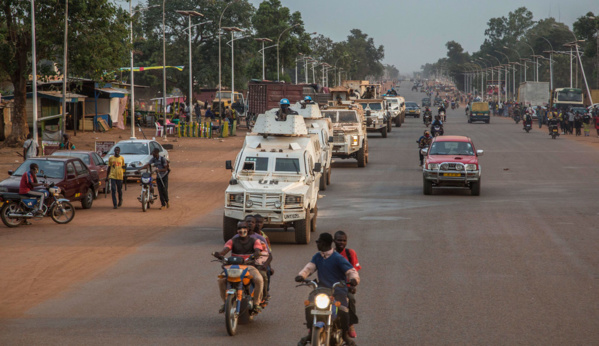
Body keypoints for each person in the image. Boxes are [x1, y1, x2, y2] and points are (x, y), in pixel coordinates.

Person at [295, 232, 359, 346]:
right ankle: (311, 332)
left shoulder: (338, 258)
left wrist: (354, 279)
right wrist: (302, 275)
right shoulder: (317, 256)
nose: (317, 243)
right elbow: (309, 268)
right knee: (309, 306)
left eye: (318, 241)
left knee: (343, 311)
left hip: (338, 291)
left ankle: (344, 335)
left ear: (324, 243)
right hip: (321, 291)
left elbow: (351, 271)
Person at [213, 221, 265, 314]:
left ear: (248, 229)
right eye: (239, 228)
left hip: (248, 266)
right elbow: (224, 251)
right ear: (237, 230)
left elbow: (258, 250)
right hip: (233, 266)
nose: (242, 230)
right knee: (221, 280)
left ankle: (257, 303)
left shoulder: (255, 241)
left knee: (259, 279)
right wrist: (219, 254)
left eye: (244, 227)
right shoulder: (232, 241)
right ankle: (226, 303)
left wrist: (255, 255)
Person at [334, 231, 361, 339]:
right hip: (329, 286)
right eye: (339, 240)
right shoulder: (328, 253)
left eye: (344, 240)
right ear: (334, 241)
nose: (342, 242)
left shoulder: (350, 254)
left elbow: (354, 271)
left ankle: (350, 325)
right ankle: (313, 325)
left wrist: (353, 285)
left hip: (344, 287)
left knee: (351, 299)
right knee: (314, 300)